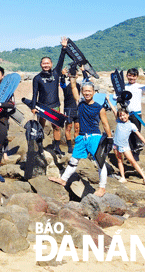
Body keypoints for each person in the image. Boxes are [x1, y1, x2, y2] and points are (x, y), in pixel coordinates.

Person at [49, 68, 112, 197]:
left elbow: (105, 124)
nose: (87, 93)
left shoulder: (99, 108)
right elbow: (73, 88)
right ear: (82, 92)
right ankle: (63, 179)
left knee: (99, 162)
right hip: (81, 137)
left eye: (89, 91)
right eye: (85, 91)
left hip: (95, 137)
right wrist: (72, 76)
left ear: (94, 92)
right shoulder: (80, 103)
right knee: (74, 160)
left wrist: (110, 138)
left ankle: (102, 187)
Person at [30, 37, 68, 155]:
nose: (46, 65)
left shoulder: (56, 73)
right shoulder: (37, 78)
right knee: (40, 127)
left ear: (51, 64)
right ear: (41, 65)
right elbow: (35, 93)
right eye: (43, 63)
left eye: (48, 63)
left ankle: (57, 147)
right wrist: (33, 106)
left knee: (56, 127)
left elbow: (61, 60)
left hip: (55, 105)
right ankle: (39, 147)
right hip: (42, 106)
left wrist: (64, 48)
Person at [105, 96, 145, 186]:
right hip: (116, 145)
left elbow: (139, 135)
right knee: (119, 161)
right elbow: (114, 109)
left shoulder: (132, 125)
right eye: (121, 116)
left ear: (128, 115)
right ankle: (123, 177)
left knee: (132, 161)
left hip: (125, 146)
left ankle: (144, 178)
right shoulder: (118, 121)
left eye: (124, 115)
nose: (122, 117)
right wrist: (108, 100)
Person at [60, 69, 80, 153]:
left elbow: (88, 82)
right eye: (71, 73)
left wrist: (84, 71)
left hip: (78, 108)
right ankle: (69, 146)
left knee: (77, 129)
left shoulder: (79, 85)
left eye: (74, 74)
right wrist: (63, 75)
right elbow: (62, 83)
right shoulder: (66, 84)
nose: (73, 75)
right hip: (68, 108)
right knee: (68, 127)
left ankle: (77, 146)